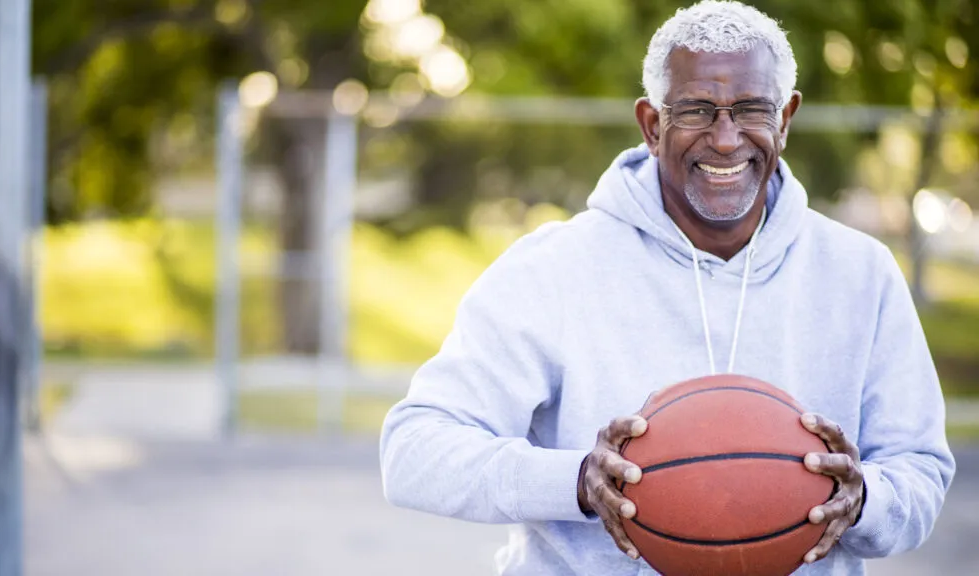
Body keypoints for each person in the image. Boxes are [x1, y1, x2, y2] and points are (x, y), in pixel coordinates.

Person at [379, 1, 956, 574]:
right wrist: (577, 480)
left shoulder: (861, 274)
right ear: (652, 125)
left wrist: (865, 501)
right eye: (697, 111)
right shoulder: (553, 269)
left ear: (786, 118)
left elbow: (920, 469)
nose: (726, 139)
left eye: (752, 109)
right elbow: (414, 450)